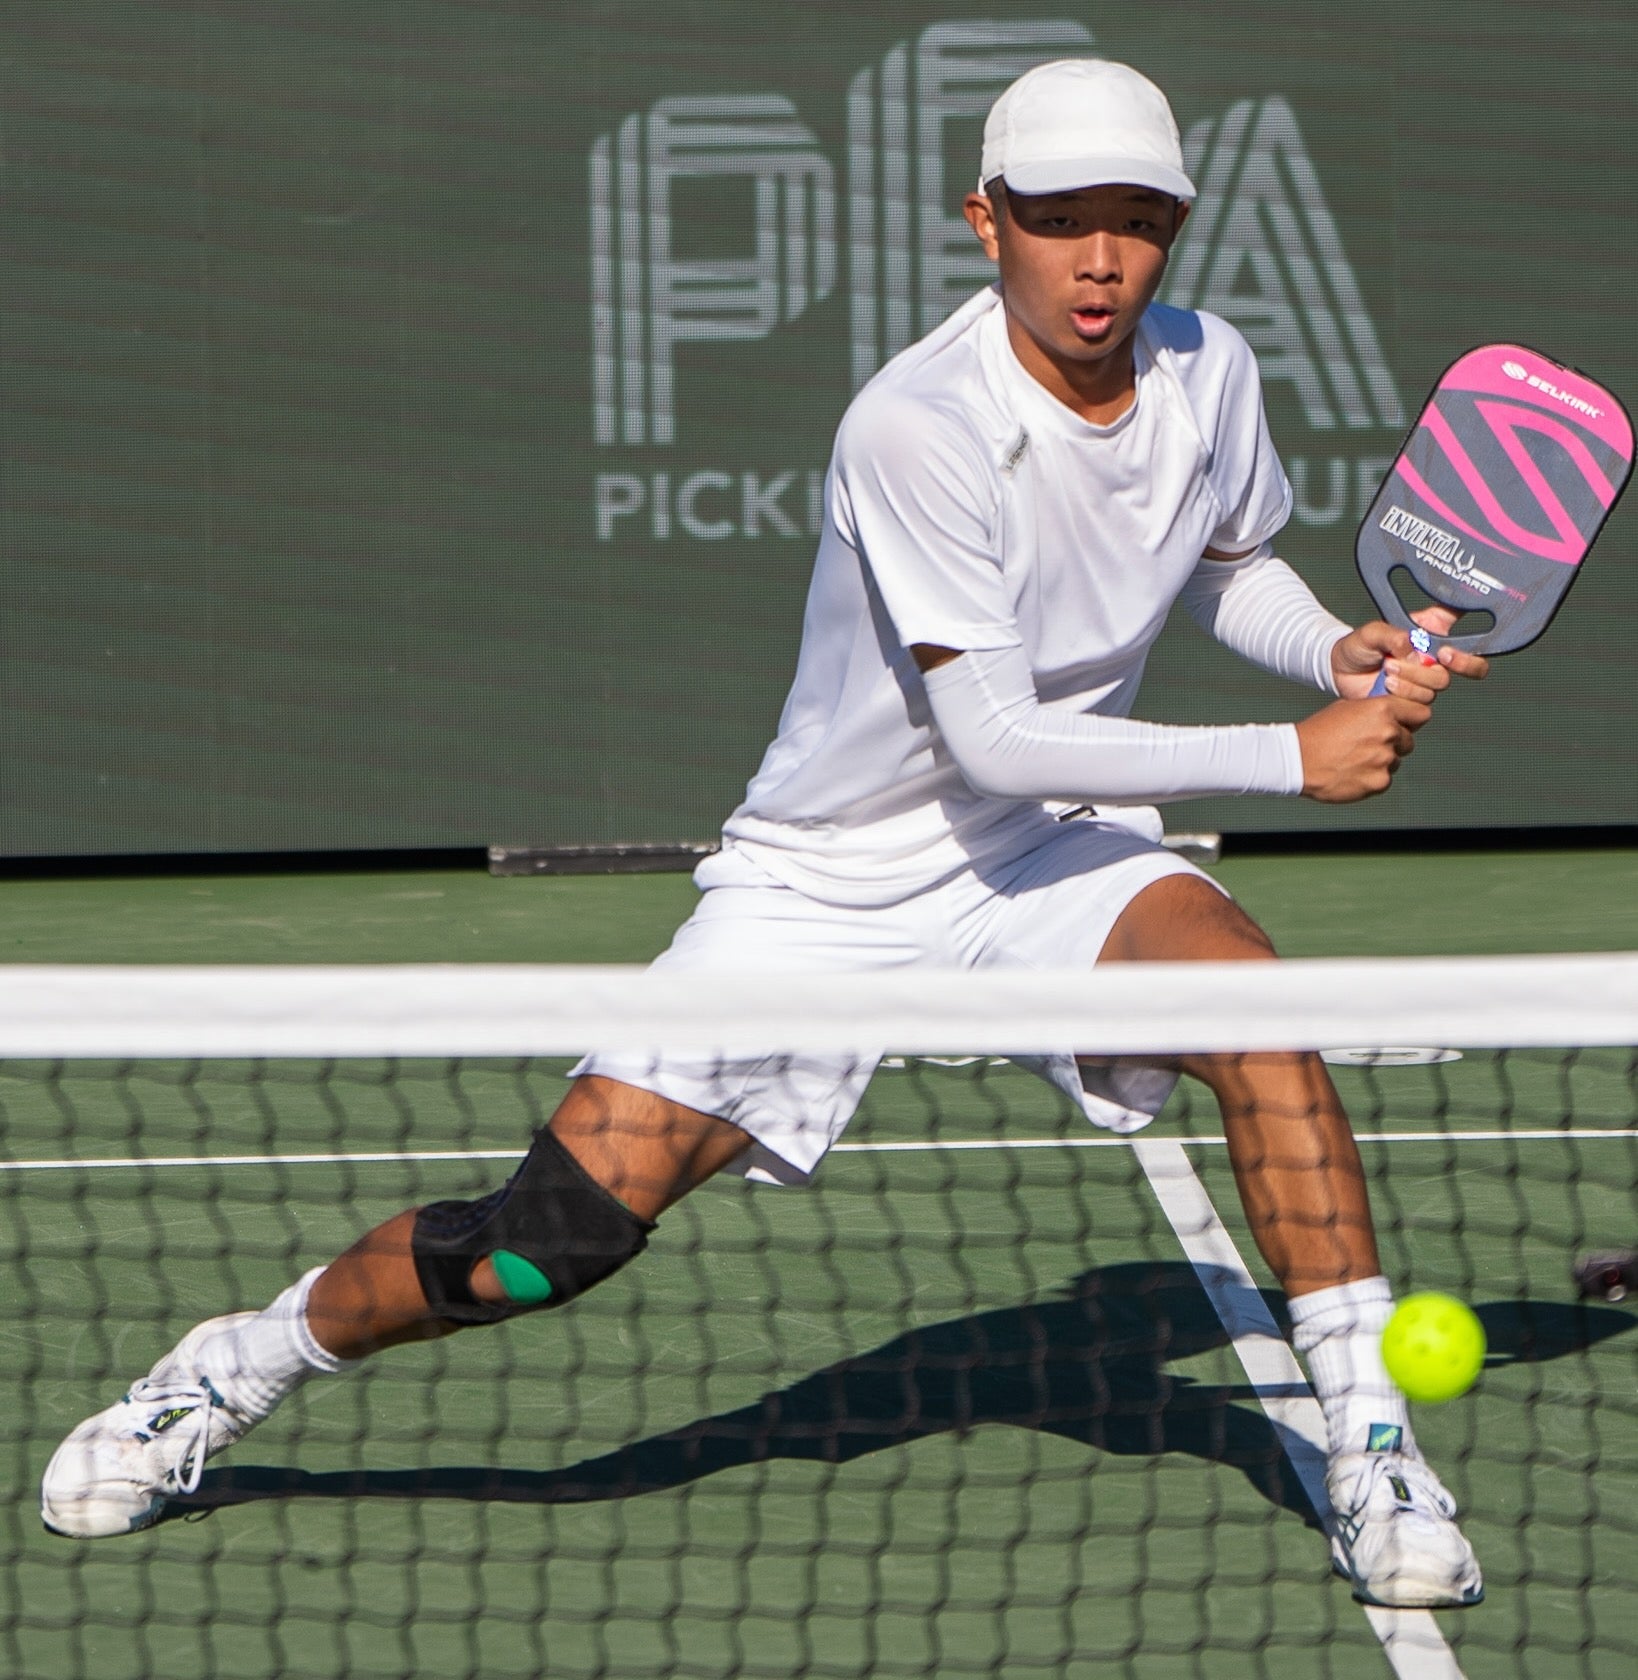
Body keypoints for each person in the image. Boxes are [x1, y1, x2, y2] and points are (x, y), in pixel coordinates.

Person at [43, 58, 1487, 1610]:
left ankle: (1376, 1446)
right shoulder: (918, 426)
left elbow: (1223, 560)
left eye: (1134, 223)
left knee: (1262, 1021)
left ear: (1174, 231)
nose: (1099, 260)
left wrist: (1329, 648)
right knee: (543, 1247)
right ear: (982, 221)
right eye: (1058, 221)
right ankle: (236, 1366)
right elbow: (982, 731)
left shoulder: (1208, 370)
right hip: (829, 881)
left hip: (1045, 846)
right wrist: (1290, 754)